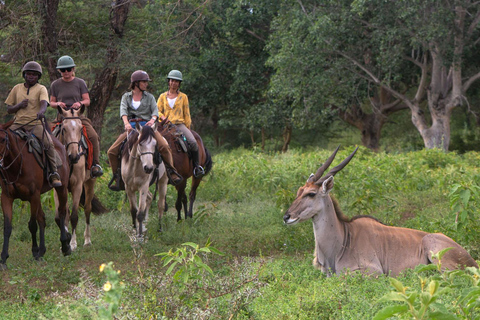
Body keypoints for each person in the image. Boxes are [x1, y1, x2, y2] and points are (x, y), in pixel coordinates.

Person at [107, 70, 183, 191]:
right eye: (144, 82)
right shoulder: (126, 97)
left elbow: (155, 112)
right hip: (131, 127)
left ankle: (171, 171)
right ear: (136, 83)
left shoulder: (150, 97)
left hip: (148, 128)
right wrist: (126, 123)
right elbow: (123, 111)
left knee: (164, 145)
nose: (146, 84)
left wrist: (153, 120)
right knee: (111, 151)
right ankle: (117, 177)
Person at [4, 61, 62, 187]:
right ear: (24, 75)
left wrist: (41, 112)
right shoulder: (17, 88)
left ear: (38, 77)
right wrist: (19, 106)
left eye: (34, 75)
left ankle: (54, 173)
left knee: (48, 143)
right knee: (2, 140)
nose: (31, 76)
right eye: (29, 74)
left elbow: (44, 104)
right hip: (17, 123)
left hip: (34, 123)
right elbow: (9, 109)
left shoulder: (41, 88)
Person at [49, 55, 103, 178]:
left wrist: (80, 103)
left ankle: (95, 164)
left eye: (68, 69)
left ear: (73, 69)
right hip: (62, 117)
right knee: (47, 137)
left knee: (93, 136)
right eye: (63, 70)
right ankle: (49, 167)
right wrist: (57, 103)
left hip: (78, 116)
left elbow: (87, 100)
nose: (66, 72)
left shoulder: (80, 82)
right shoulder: (55, 84)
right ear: (59, 71)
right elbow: (51, 102)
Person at [156, 70, 204, 178]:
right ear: (169, 82)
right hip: (164, 125)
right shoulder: (162, 96)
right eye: (172, 80)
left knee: (192, 142)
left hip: (179, 125)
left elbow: (186, 113)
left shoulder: (183, 97)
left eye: (176, 81)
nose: (174, 83)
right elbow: (156, 111)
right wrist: (163, 117)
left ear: (179, 83)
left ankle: (196, 167)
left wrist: (188, 128)